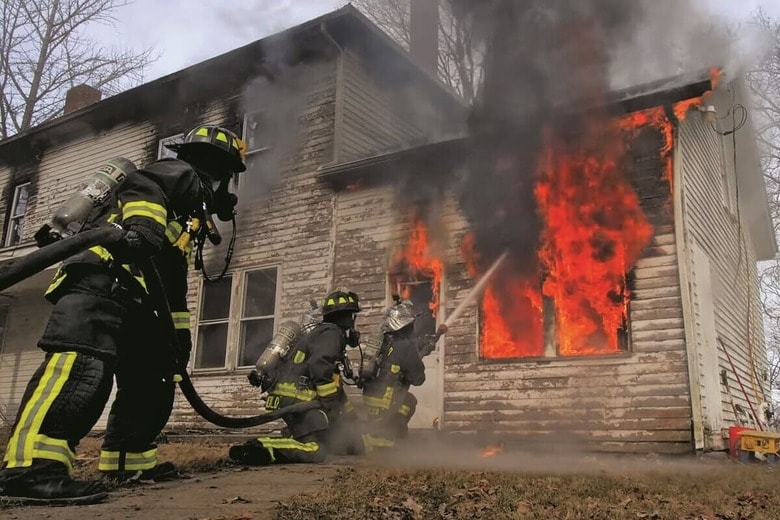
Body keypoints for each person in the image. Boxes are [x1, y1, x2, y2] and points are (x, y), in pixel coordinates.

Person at [0, 125, 247, 505]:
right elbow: (143, 183)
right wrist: (145, 225)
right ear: (221, 170)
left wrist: (178, 335)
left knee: (154, 377)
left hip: (139, 296)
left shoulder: (187, 212)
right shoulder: (179, 174)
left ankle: (127, 461)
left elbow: (172, 277)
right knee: (83, 370)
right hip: (101, 278)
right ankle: (30, 468)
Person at [229, 290, 362, 465]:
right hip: (300, 401)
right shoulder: (332, 333)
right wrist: (329, 403)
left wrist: (351, 419)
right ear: (347, 316)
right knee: (317, 450)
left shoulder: (320, 334)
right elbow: (320, 366)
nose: (354, 323)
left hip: (291, 399)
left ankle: (290, 435)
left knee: (333, 440)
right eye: (353, 316)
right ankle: (263, 447)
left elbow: (335, 386)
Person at [360, 297, 427, 452]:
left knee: (406, 398)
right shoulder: (405, 347)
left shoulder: (384, 341)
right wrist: (417, 357)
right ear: (406, 325)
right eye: (411, 324)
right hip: (385, 402)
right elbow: (418, 379)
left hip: (370, 398)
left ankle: (377, 434)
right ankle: (390, 439)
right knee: (409, 402)